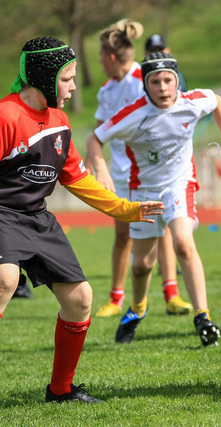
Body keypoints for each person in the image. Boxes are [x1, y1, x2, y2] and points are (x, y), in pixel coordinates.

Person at [0, 36, 163, 403]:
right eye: (67, 78)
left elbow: (76, 177)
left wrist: (125, 209)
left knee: (80, 299)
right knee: (4, 279)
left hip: (37, 218)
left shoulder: (59, 121)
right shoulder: (5, 116)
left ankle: (60, 391)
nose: (74, 87)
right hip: (3, 215)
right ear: (44, 78)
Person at [86, 52, 221, 346]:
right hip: (144, 192)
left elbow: (218, 101)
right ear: (145, 85)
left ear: (177, 80)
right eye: (155, 82)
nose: (163, 87)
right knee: (142, 264)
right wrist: (101, 170)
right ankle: (137, 308)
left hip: (179, 185)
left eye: (168, 80)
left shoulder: (191, 102)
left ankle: (203, 317)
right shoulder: (133, 114)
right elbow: (95, 138)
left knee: (183, 243)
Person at [92, 20, 192, 318]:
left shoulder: (145, 78)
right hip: (121, 176)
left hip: (151, 174)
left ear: (111, 57)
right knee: (122, 236)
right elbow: (98, 132)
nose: (99, 61)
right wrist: (96, 165)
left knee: (162, 232)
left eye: (100, 56)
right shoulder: (107, 90)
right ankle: (116, 298)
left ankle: (171, 295)